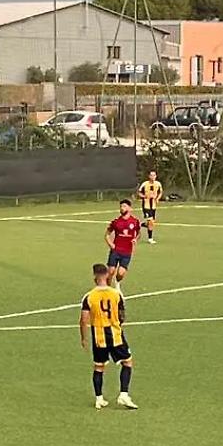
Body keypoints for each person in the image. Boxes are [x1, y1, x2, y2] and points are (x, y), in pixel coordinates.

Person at [80, 262, 137, 409]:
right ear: (107, 275)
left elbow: (83, 320)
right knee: (127, 362)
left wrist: (84, 337)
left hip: (99, 337)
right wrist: (119, 324)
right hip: (115, 335)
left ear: (94, 277)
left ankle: (99, 399)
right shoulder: (116, 294)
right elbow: (122, 315)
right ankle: (124, 394)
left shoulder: (89, 297)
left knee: (99, 367)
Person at [104, 199, 141, 287]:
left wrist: (135, 239)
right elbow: (107, 234)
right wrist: (110, 244)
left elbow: (139, 233)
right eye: (121, 207)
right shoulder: (116, 221)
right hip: (115, 250)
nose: (122, 208)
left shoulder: (135, 221)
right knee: (110, 272)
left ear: (130, 208)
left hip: (127, 251)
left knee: (120, 274)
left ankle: (117, 283)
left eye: (124, 206)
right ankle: (108, 289)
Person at [138, 171, 163, 243]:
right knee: (151, 221)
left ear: (156, 176)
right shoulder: (145, 184)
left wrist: (158, 198)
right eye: (151, 175)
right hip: (146, 206)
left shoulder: (158, 184)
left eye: (154, 175)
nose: (153, 177)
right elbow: (139, 192)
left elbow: (160, 192)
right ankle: (150, 238)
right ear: (149, 176)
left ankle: (139, 225)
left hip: (153, 206)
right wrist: (144, 196)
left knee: (151, 223)